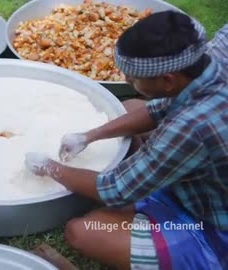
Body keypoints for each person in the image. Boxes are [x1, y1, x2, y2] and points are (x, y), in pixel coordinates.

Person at [25, 11, 228, 270]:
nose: (126, 80)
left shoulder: (191, 126)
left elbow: (115, 189)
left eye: (132, 78)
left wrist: (50, 167)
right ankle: (150, 193)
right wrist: (90, 135)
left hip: (209, 225)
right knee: (132, 107)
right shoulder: (210, 67)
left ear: (168, 80)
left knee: (85, 231)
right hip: (197, 187)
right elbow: (157, 110)